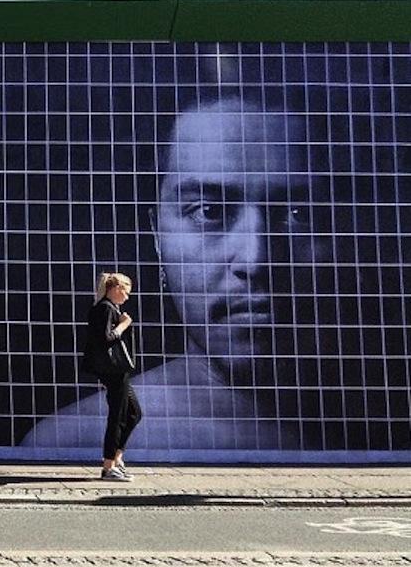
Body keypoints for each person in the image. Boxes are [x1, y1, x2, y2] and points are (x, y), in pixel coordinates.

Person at [23, 94, 337, 452]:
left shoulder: (383, 428)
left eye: (298, 214)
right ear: (158, 234)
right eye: (207, 210)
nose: (256, 260)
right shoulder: (76, 441)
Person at [83, 272, 141, 481]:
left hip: (117, 371)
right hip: (113, 370)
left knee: (133, 413)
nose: (127, 297)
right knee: (117, 415)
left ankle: (117, 459)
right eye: (126, 292)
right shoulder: (105, 308)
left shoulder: (109, 308)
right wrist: (124, 325)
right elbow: (106, 338)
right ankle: (109, 466)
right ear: (116, 289)